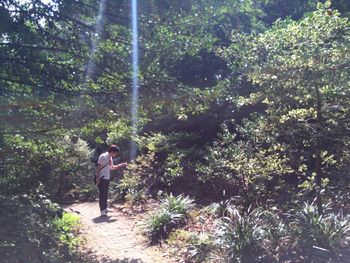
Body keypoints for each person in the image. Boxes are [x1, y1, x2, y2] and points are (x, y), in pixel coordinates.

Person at [96, 145, 127, 216]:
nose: (116, 155)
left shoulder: (110, 158)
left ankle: (105, 208)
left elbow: (112, 167)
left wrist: (121, 165)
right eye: (115, 153)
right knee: (102, 194)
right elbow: (98, 168)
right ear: (112, 152)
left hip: (107, 177)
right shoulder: (103, 157)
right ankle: (102, 210)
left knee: (106, 193)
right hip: (102, 178)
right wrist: (97, 178)